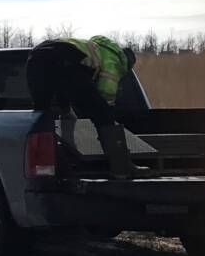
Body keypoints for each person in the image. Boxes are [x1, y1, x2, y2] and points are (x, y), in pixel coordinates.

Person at [25, 36, 137, 178]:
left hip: (35, 59)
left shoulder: (93, 47)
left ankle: (50, 167)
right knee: (103, 114)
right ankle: (121, 169)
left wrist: (66, 110)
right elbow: (106, 92)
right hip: (68, 61)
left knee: (42, 115)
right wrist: (106, 116)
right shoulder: (114, 60)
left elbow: (61, 85)